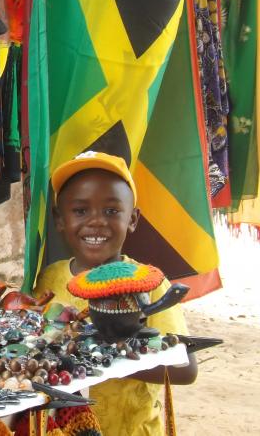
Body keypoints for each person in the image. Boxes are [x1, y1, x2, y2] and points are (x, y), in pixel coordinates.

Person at [34, 151, 198, 436]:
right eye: (80, 211)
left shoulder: (149, 283)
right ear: (59, 219)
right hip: (65, 429)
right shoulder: (49, 278)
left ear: (132, 219)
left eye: (111, 211)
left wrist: (106, 358)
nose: (96, 222)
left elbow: (186, 368)